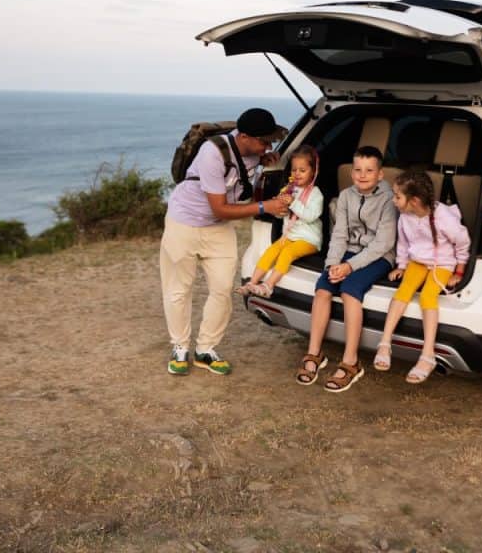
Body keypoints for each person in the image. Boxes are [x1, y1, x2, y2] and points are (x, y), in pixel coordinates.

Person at [160, 108, 289, 377]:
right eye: (264, 141)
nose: (268, 146)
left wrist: (264, 160)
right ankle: (180, 347)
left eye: (270, 141)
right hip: (184, 222)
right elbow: (220, 208)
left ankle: (205, 350)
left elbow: (238, 187)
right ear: (243, 136)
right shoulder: (212, 154)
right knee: (178, 289)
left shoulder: (254, 152)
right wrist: (265, 206)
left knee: (221, 289)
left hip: (218, 230)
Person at [296, 145, 397, 393]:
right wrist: (332, 265)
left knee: (351, 291)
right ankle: (314, 354)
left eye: (369, 171)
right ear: (352, 173)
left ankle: (351, 362)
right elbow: (339, 235)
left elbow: (383, 243)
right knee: (322, 290)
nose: (363, 175)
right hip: (347, 254)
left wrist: (349, 267)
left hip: (379, 256)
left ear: (380, 174)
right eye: (358, 170)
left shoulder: (388, 199)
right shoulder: (345, 196)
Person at [373, 168, 471, 384]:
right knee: (403, 291)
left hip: (442, 263)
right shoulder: (405, 216)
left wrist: (459, 271)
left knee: (428, 297)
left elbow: (462, 242)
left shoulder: (444, 218)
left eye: (398, 196)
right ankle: (385, 343)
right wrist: (401, 265)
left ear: (414, 201)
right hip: (417, 261)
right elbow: (404, 242)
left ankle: (427, 356)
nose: (393, 200)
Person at [237, 145, 323, 299]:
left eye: (302, 171)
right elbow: (280, 216)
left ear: (313, 172)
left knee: (286, 253)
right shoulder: (289, 190)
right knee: (271, 250)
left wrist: (293, 203)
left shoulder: (316, 194)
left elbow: (311, 216)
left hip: (308, 239)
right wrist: (279, 208)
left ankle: (268, 286)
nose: (297, 174)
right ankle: (251, 283)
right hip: (288, 237)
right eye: (294, 170)